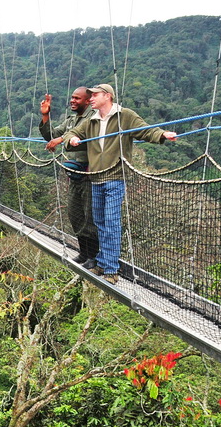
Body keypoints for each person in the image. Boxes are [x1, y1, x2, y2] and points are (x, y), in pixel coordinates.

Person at [62, 83, 177, 284]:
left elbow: (145, 130)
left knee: (112, 223)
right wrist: (71, 140)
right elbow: (72, 133)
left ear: (107, 96)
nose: (91, 99)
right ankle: (101, 262)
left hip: (115, 178)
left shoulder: (125, 116)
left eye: (94, 95)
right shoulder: (91, 120)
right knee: (100, 223)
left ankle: (111, 270)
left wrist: (162, 135)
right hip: (96, 178)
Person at [39, 88, 99, 269]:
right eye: (72, 97)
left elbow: (84, 134)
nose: (72, 101)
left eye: (77, 98)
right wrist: (45, 116)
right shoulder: (72, 120)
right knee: (75, 214)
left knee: (90, 217)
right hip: (74, 175)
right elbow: (51, 136)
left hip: (89, 174)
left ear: (87, 101)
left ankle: (93, 256)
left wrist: (61, 140)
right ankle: (83, 252)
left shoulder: (93, 118)